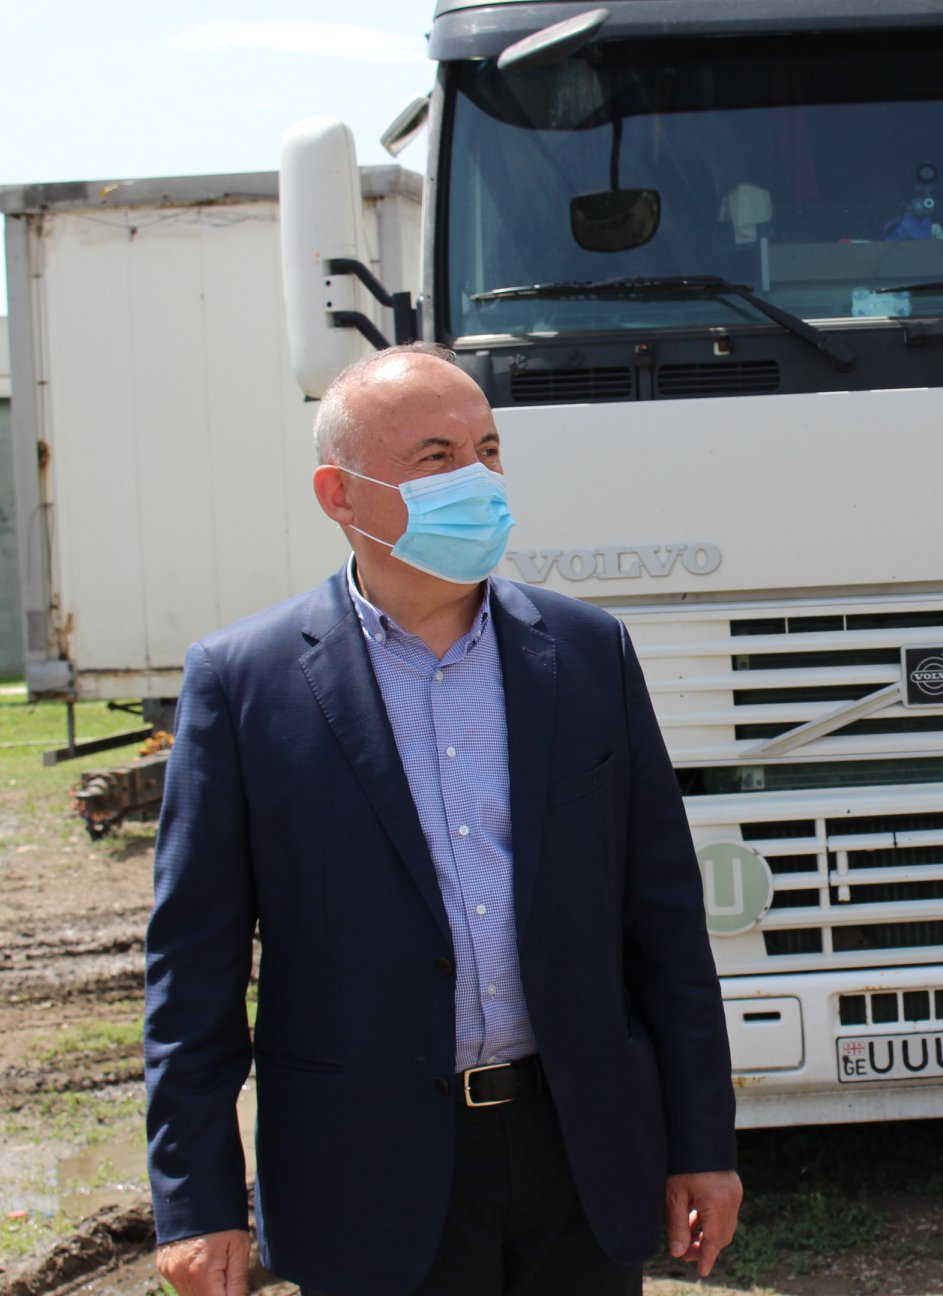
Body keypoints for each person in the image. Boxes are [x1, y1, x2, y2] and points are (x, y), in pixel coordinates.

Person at [144, 344, 742, 1296]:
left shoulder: (586, 653)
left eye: (488, 450)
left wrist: (702, 1143)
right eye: (437, 457)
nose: (478, 479)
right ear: (340, 495)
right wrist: (195, 1200)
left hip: (579, 1158)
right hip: (365, 1173)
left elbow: (664, 924)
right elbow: (194, 968)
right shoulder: (245, 684)